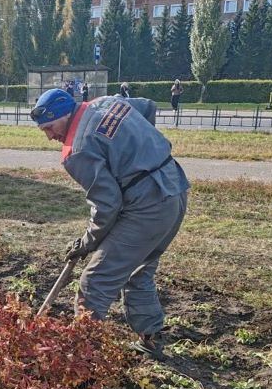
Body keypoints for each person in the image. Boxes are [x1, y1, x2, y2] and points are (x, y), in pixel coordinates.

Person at [29, 88, 189, 357]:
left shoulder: (77, 151)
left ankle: (83, 360)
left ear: (66, 115)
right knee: (139, 268)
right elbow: (147, 106)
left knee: (94, 282)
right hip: (174, 190)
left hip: (146, 208)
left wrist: (87, 243)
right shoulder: (107, 103)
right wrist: (135, 150)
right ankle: (149, 340)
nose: (50, 136)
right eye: (43, 130)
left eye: (50, 127)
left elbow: (107, 205)